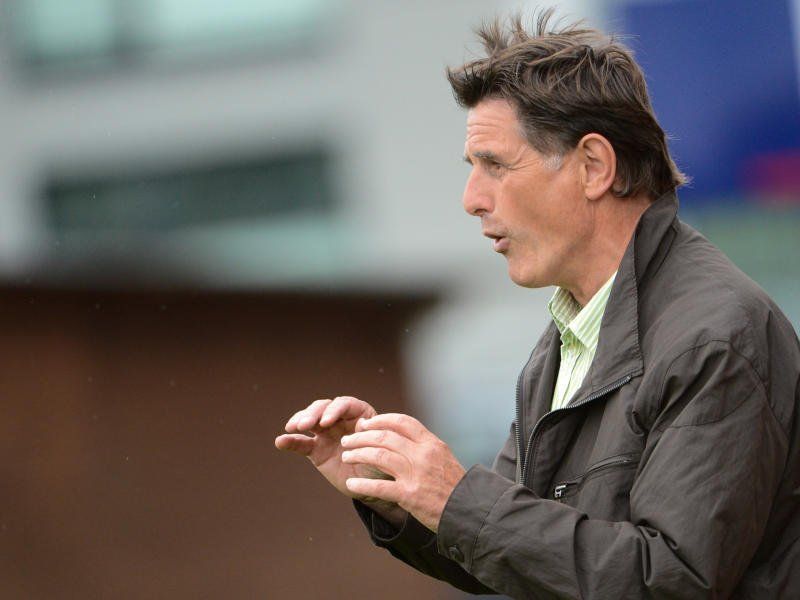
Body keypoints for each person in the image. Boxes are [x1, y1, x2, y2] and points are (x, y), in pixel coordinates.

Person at [275, 11, 800, 599]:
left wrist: (455, 498)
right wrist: (399, 491)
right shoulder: (572, 334)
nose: (472, 199)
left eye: (496, 165)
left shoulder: (714, 336)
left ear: (593, 167)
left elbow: (669, 582)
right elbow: (524, 553)